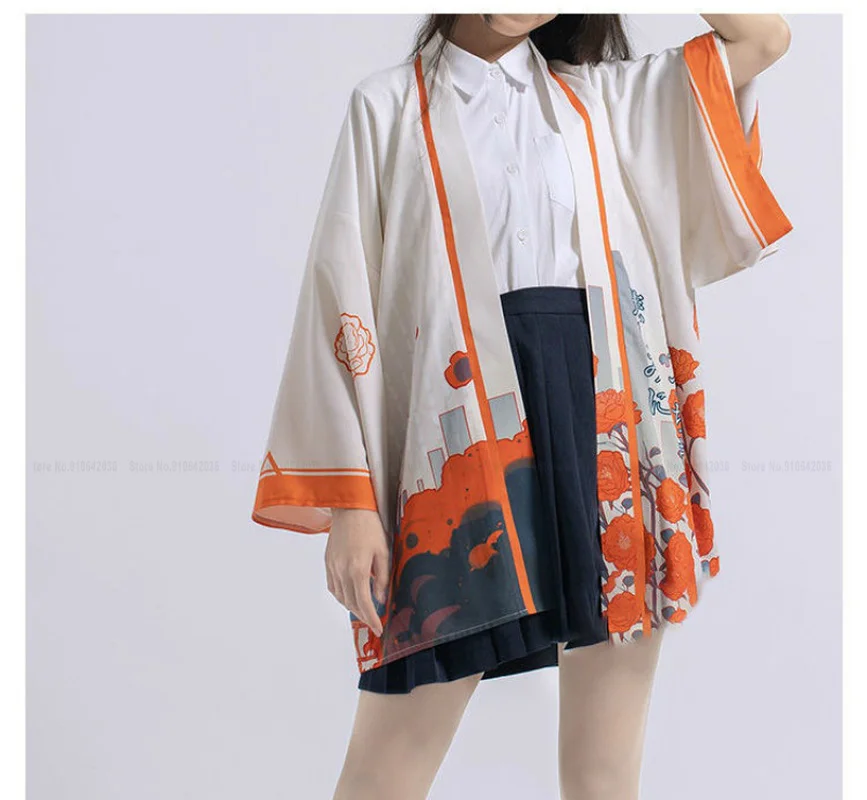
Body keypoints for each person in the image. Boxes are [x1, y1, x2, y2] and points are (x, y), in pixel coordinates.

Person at [251, 13, 792, 800]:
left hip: (606, 423)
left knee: (604, 770)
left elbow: (762, 39)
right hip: (461, 442)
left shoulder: (605, 100)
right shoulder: (386, 107)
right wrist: (352, 505)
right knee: (386, 768)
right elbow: (340, 293)